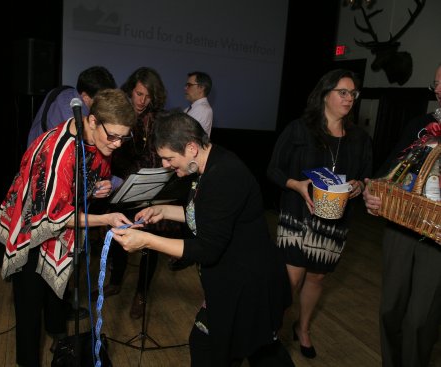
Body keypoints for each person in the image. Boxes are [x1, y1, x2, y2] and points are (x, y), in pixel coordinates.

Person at [112, 111, 294, 367]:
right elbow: (207, 215)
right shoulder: (209, 165)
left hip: (249, 287)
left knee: (239, 351)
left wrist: (146, 241)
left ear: (191, 147)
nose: (165, 165)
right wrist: (162, 210)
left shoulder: (224, 175)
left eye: (169, 158)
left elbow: (207, 248)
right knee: (245, 350)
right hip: (234, 282)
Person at [0, 89, 137, 367]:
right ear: (92, 121)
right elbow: (56, 216)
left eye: (124, 137)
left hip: (56, 220)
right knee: (29, 308)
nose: (118, 144)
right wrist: (106, 220)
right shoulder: (59, 153)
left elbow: (89, 175)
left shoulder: (99, 138)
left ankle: (59, 343)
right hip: (29, 229)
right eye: (114, 136)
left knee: (54, 292)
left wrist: (99, 186)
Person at [267, 69, 373, 359]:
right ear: (325, 94)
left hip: (334, 222)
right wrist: (297, 185)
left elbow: (365, 175)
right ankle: (274, 330)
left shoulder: (359, 139)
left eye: (353, 94)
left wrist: (358, 185)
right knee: (291, 280)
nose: (349, 98)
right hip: (298, 216)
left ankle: (303, 329)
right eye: (343, 92)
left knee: (316, 278)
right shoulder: (299, 129)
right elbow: (274, 169)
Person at [362, 63, 441, 367]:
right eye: (435, 83)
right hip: (400, 224)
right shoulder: (420, 125)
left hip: (436, 238)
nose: (438, 89)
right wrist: (374, 190)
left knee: (420, 320)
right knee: (389, 310)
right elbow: (391, 169)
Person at [100, 66, 175, 320]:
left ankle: (141, 294)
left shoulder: (159, 119)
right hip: (124, 187)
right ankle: (116, 280)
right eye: (139, 93)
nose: (142, 101)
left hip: (152, 189)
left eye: (148, 96)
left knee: (150, 244)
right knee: (121, 235)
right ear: (131, 89)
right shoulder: (120, 114)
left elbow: (160, 155)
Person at [26, 66, 117, 146]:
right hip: (42, 159)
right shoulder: (71, 112)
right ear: (85, 97)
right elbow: (93, 140)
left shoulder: (69, 92)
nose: (106, 103)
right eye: (102, 99)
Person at [183, 71, 213, 136]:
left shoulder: (202, 109)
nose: (185, 88)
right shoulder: (191, 108)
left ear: (201, 88)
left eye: (189, 85)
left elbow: (180, 133)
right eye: (186, 85)